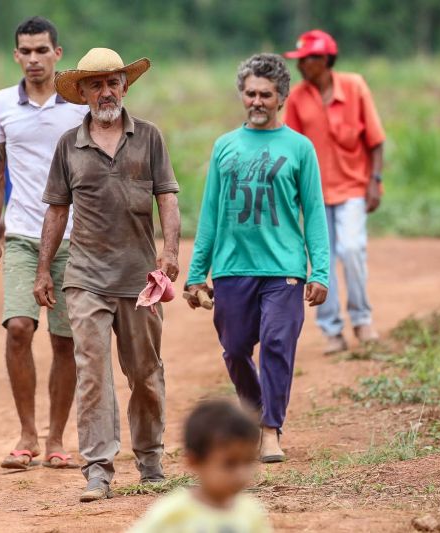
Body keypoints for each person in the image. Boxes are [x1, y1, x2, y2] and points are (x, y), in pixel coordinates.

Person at [34, 47, 181, 502]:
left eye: (112, 82)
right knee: (93, 372)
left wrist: (170, 251)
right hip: (85, 277)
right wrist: (43, 269)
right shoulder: (68, 146)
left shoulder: (150, 137)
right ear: (81, 93)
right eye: (95, 84)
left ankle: (150, 459)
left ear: (125, 86)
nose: (105, 91)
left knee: (145, 372)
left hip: (140, 279)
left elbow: (168, 198)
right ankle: (98, 468)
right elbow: (57, 213)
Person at [184, 53, 329, 463]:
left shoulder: (300, 148)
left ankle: (269, 429)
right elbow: (210, 211)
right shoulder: (224, 146)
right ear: (242, 95)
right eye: (250, 93)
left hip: (283, 268)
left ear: (281, 97)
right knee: (233, 349)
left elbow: (314, 213)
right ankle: (254, 410)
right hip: (232, 268)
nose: (257, 101)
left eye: (266, 94)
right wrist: (197, 274)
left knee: (279, 344)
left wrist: (319, 271)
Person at [0, 16, 88, 471]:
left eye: (42, 50)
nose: (34, 59)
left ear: (57, 54)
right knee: (19, 328)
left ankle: (58, 437)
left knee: (65, 340)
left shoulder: (79, 106)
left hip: (75, 237)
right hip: (22, 235)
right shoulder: (1, 104)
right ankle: (26, 433)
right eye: (26, 51)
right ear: (15, 56)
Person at [283, 30, 386, 354]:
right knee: (320, 260)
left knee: (353, 249)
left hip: (353, 187)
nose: (299, 66)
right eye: (298, 61)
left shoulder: (355, 87)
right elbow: (291, 148)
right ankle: (331, 330)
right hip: (314, 195)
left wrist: (375, 181)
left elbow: (376, 140)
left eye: (306, 60)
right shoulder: (298, 98)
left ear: (324, 60)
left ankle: (362, 319)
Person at [129, 400, 272, 533]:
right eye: (230, 463)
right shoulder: (173, 512)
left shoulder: (250, 512)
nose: (241, 473)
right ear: (194, 461)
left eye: (249, 461)